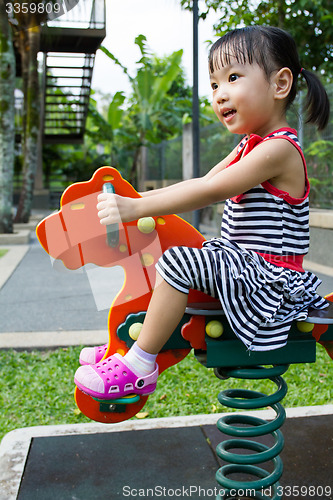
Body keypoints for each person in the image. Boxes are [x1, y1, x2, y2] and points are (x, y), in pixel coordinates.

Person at [74, 25, 330, 400]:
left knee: (179, 262)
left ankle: (140, 365)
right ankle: (126, 347)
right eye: (213, 85)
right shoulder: (250, 145)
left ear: (280, 84)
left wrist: (136, 207)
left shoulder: (281, 149)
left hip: (272, 277)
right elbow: (202, 181)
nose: (219, 94)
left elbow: (210, 191)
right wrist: (137, 200)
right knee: (161, 257)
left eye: (233, 77)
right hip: (242, 264)